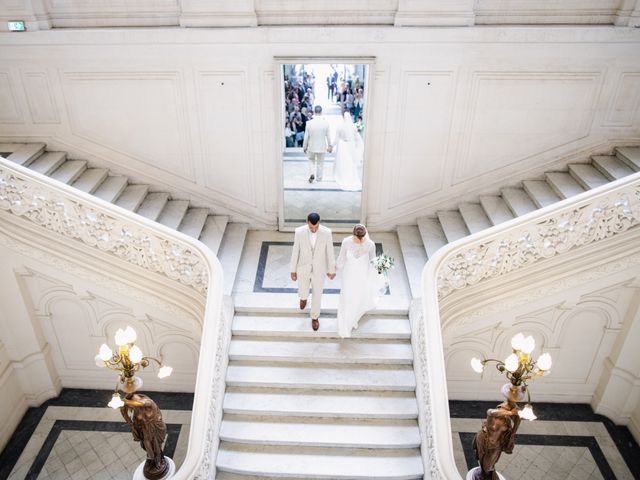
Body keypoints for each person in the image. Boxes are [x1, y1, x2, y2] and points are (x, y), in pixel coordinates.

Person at [336, 224, 384, 338]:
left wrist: (334, 269)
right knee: (353, 293)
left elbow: (342, 259)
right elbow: (372, 260)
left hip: (357, 274)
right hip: (355, 274)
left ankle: (350, 316)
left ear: (353, 232)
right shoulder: (366, 244)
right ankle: (351, 316)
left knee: (353, 293)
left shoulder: (349, 242)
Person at [290, 212, 336, 331]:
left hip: (319, 269)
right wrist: (293, 270)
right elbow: (295, 251)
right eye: (311, 227)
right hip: (303, 267)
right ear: (307, 222)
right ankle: (303, 297)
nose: (314, 230)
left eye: (316, 227)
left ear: (319, 222)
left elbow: (330, 252)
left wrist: (331, 269)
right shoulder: (299, 232)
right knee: (303, 288)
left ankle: (315, 317)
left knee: (317, 294)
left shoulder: (327, 233)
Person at [472, 393, 522, 480]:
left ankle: (486, 474)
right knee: (483, 462)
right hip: (483, 439)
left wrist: (513, 432)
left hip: (495, 445)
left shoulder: (507, 421)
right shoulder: (493, 416)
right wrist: (510, 412)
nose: (501, 409)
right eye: (500, 408)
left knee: (489, 465)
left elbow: (517, 422)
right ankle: (483, 475)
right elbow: (490, 412)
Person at [120, 392, 169, 478]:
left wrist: (123, 401)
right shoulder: (137, 410)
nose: (137, 400)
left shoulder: (149, 402)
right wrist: (129, 420)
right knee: (147, 446)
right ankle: (151, 459)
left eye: (137, 398)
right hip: (146, 431)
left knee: (156, 446)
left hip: (156, 429)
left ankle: (158, 460)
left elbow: (140, 403)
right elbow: (129, 416)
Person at [332, 112, 364, 191]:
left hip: (342, 146)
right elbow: (356, 138)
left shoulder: (340, 127)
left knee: (342, 161)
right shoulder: (353, 127)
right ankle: (350, 176)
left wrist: (331, 146)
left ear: (343, 118)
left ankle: (341, 175)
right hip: (350, 146)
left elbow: (336, 139)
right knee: (350, 161)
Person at [303, 105, 332, 183]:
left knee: (311, 160)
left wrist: (304, 147)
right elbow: (328, 136)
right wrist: (330, 145)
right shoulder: (326, 123)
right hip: (322, 147)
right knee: (320, 163)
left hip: (311, 146)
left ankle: (312, 173)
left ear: (314, 112)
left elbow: (306, 137)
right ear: (321, 112)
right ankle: (319, 179)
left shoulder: (309, 123)